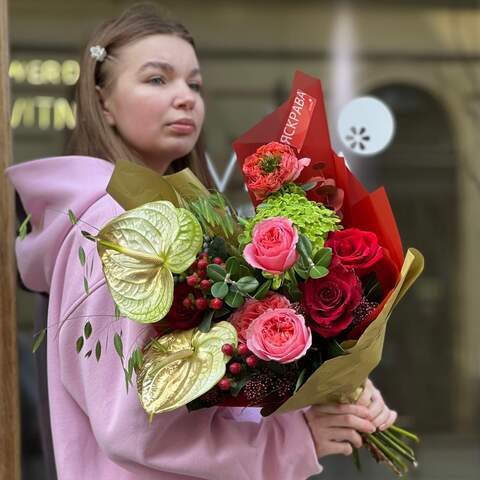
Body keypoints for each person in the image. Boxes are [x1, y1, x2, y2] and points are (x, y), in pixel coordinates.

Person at [7, 4, 397, 479]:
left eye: (194, 84)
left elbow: (221, 383)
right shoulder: (114, 226)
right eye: (157, 79)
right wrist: (292, 439)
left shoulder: (187, 218)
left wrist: (338, 389)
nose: (185, 97)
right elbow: (132, 426)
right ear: (101, 101)